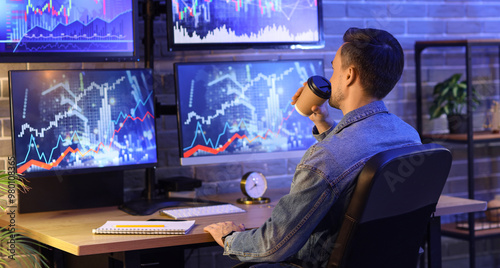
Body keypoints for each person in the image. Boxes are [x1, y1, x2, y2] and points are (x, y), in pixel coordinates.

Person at [203, 27, 422, 267]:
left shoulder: (326, 158)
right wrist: (327, 127)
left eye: (334, 68)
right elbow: (357, 161)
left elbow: (272, 246)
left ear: (349, 75)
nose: (331, 78)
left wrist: (229, 238)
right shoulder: (409, 137)